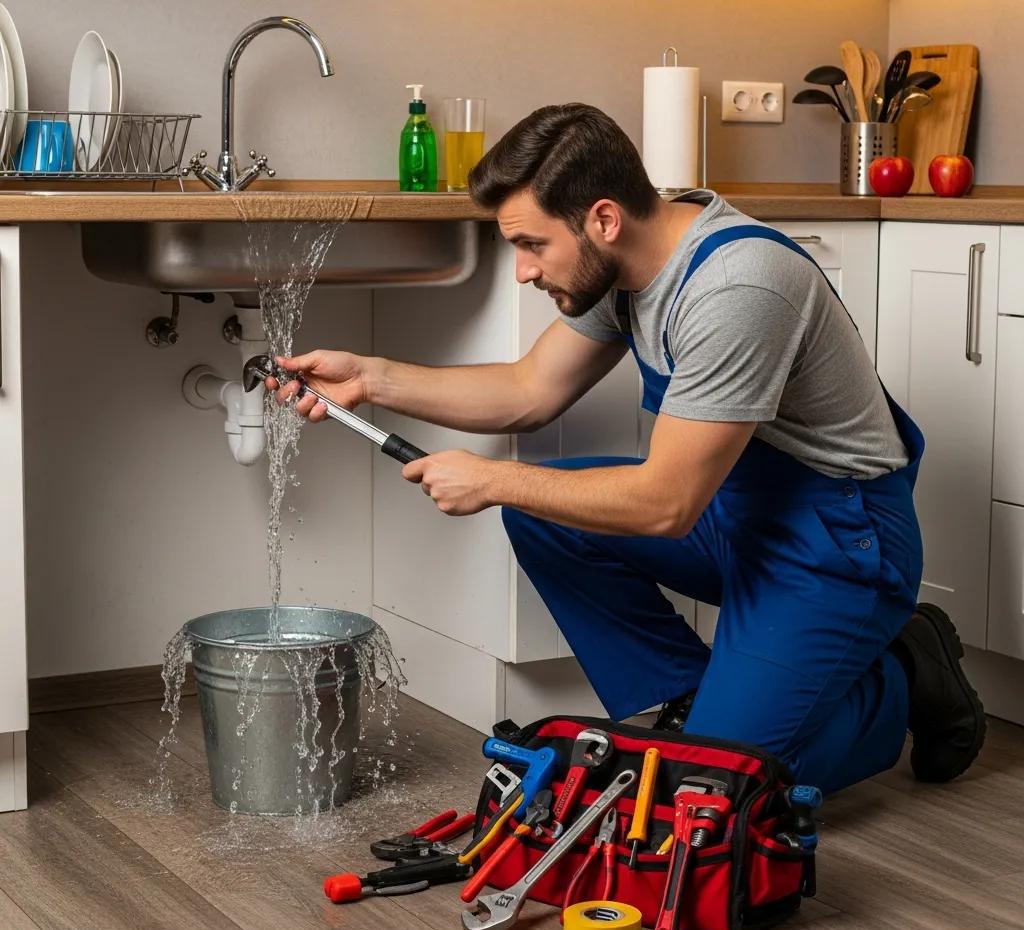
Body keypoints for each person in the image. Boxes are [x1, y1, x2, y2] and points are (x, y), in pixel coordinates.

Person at [266, 103, 985, 794]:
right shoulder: (628, 266)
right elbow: (527, 390)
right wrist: (370, 377)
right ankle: (694, 703)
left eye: (531, 244)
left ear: (603, 217)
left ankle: (903, 672)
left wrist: (493, 480)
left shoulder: (737, 286)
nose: (522, 270)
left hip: (837, 542)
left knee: (713, 785)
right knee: (544, 514)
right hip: (735, 512)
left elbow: (666, 503)